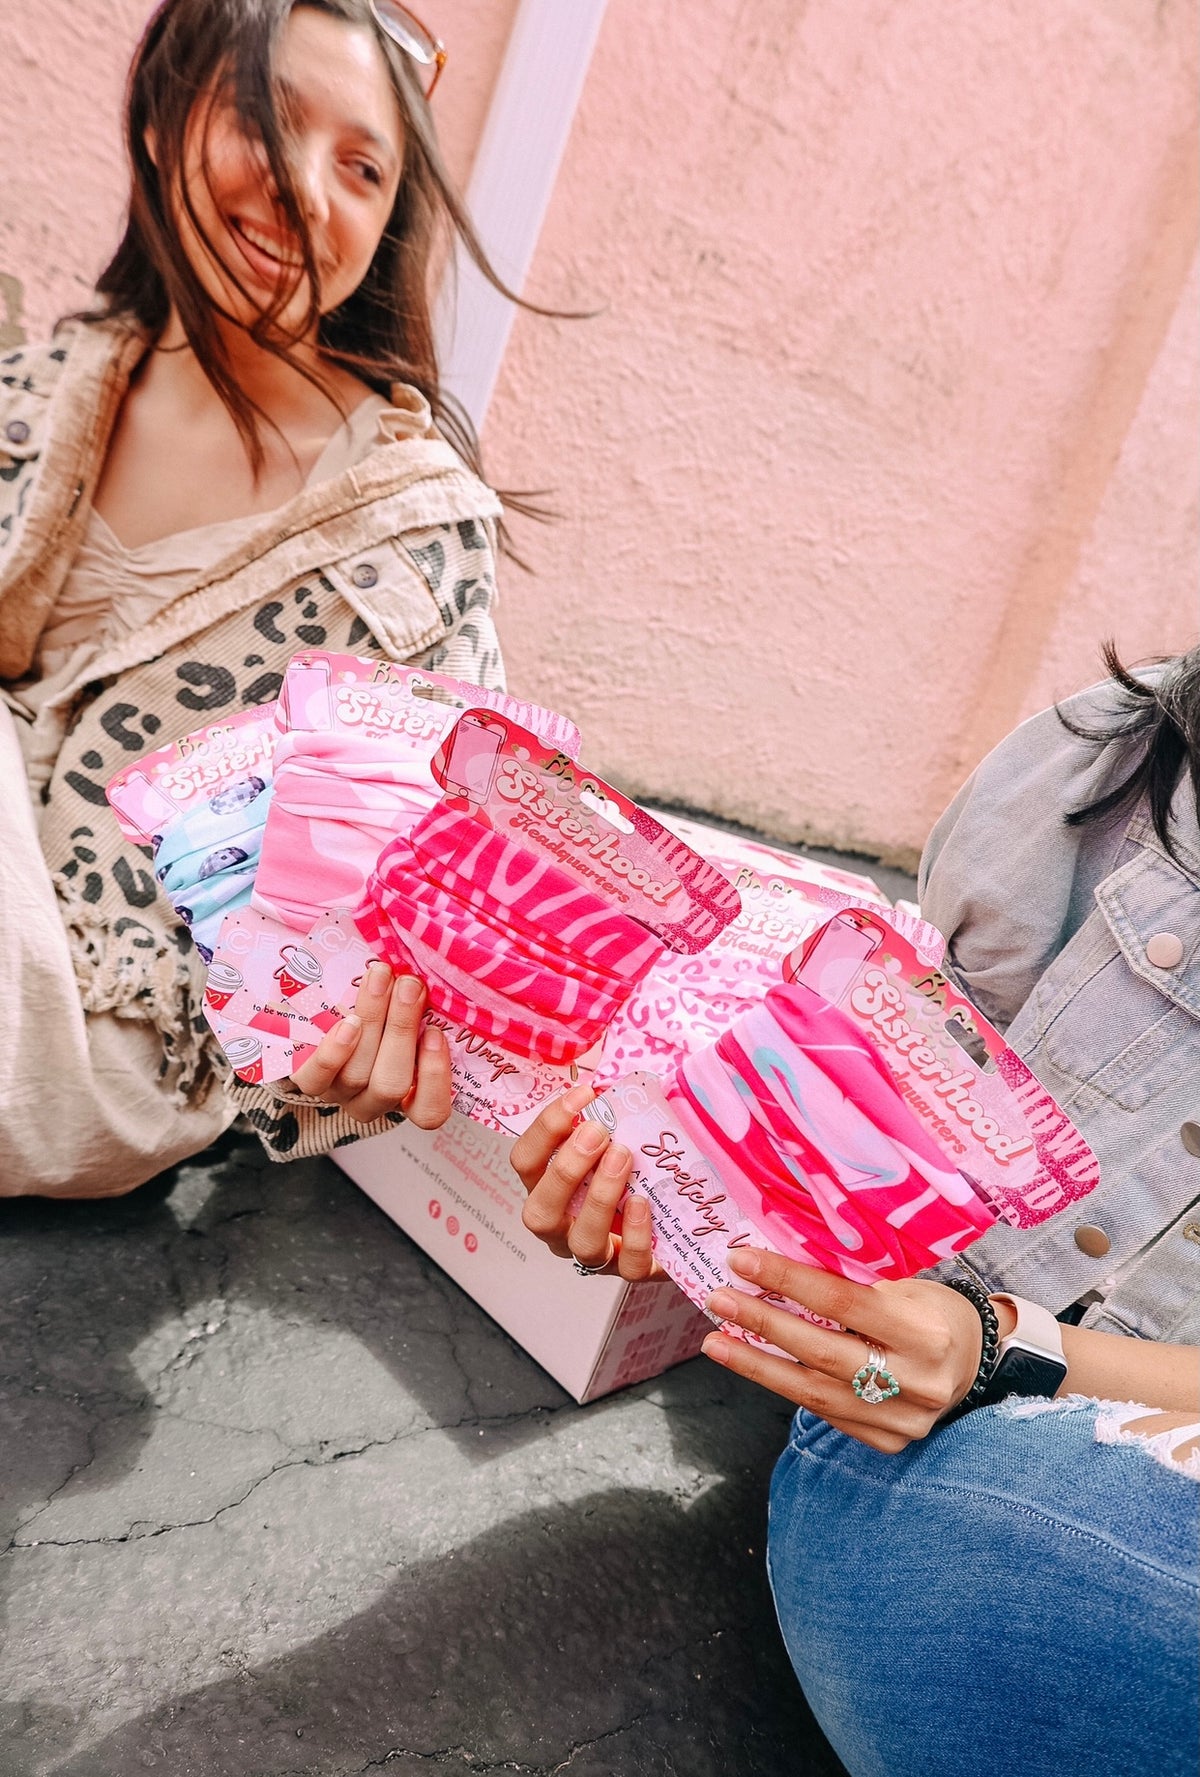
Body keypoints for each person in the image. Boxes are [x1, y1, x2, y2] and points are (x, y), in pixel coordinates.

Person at [511, 646, 1200, 1777]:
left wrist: (1001, 1353)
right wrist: (686, 1192)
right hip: (957, 1469)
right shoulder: (1125, 759)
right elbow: (883, 1095)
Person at [0, 0, 532, 1195]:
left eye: (362, 167)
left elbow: (429, 903)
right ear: (160, 119)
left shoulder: (409, 530)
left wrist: (340, 1064)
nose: (305, 191)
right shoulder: (37, 392)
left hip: (104, 1041)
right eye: (266, 118)